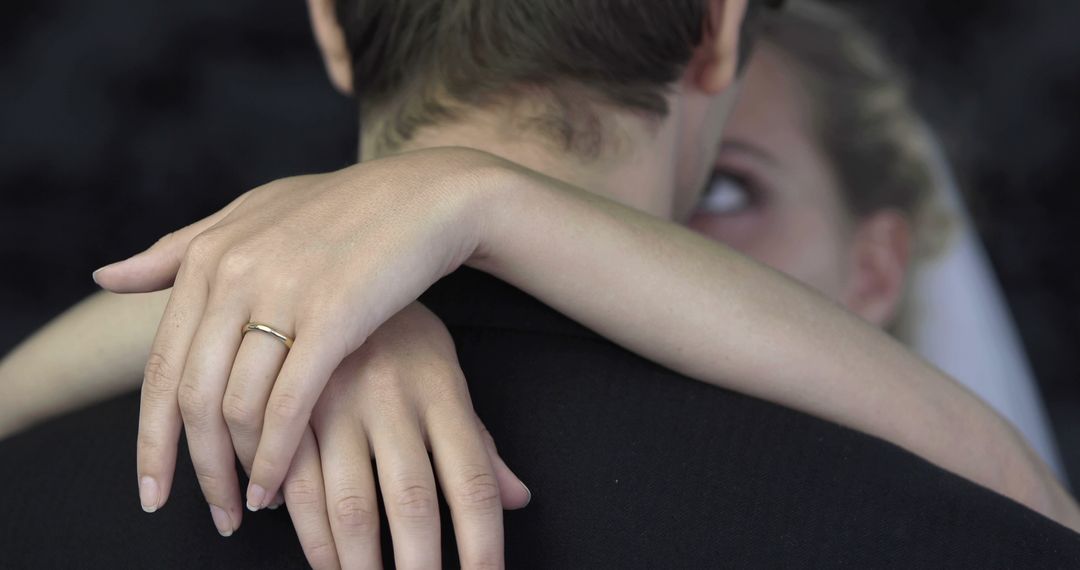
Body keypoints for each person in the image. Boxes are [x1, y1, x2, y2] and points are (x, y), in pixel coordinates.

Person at [1, 0, 1078, 567]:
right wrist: (478, 207)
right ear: (720, 29)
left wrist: (468, 206)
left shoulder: (32, 499)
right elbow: (1030, 512)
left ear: (330, 22)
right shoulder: (944, 523)